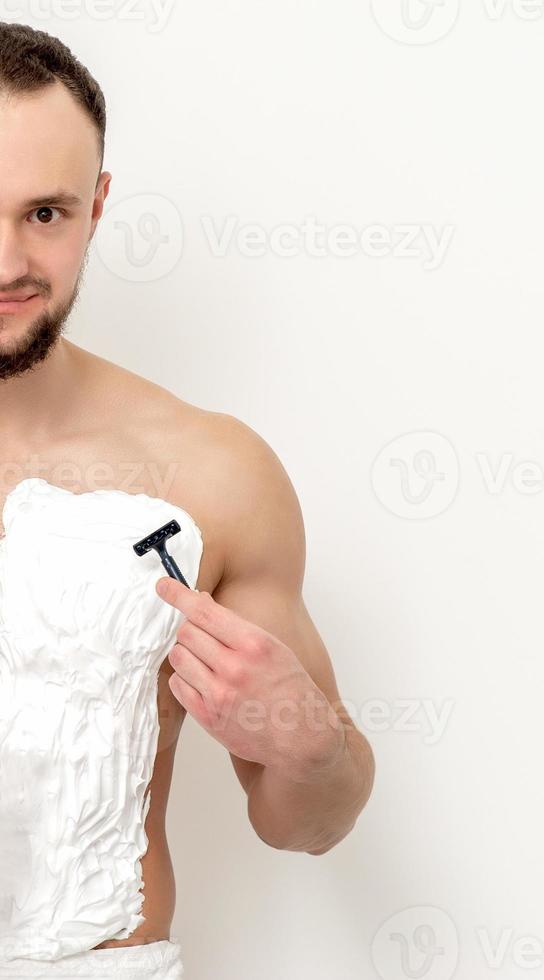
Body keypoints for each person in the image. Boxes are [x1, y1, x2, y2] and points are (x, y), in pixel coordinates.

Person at [0, 22, 375, 979]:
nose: (6, 262)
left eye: (44, 213)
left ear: (97, 207)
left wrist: (311, 746)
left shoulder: (210, 475)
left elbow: (313, 825)